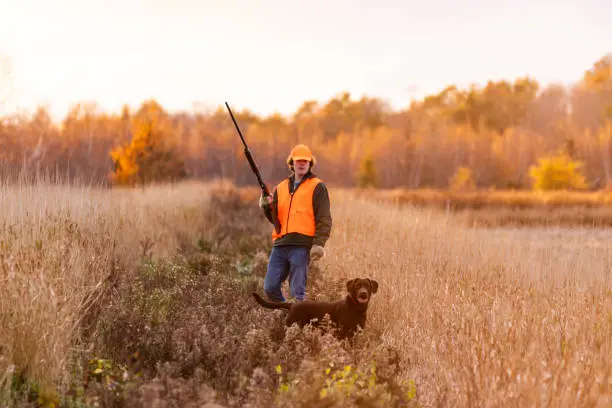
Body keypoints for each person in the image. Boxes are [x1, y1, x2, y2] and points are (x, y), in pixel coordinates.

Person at [258, 144, 332, 302]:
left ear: (310, 163)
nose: (302, 163)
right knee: (270, 287)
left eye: (305, 160)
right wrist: (266, 205)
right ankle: (288, 315)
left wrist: (319, 244)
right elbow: (275, 219)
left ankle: (296, 324)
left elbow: (324, 218)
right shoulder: (281, 187)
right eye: (298, 160)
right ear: (292, 163)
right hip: (280, 245)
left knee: (296, 293)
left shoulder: (317, 186)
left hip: (301, 246)